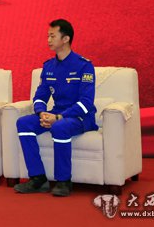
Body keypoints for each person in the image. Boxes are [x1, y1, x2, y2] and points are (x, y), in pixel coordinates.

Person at [14, 19, 96, 197]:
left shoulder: (84, 65)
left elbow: (86, 102)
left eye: (52, 36)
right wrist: (41, 113)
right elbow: (40, 95)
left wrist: (58, 117)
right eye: (48, 36)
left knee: (60, 126)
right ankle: (38, 178)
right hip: (56, 114)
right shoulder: (48, 66)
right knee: (23, 123)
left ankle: (63, 181)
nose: (48, 40)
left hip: (80, 117)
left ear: (65, 39)